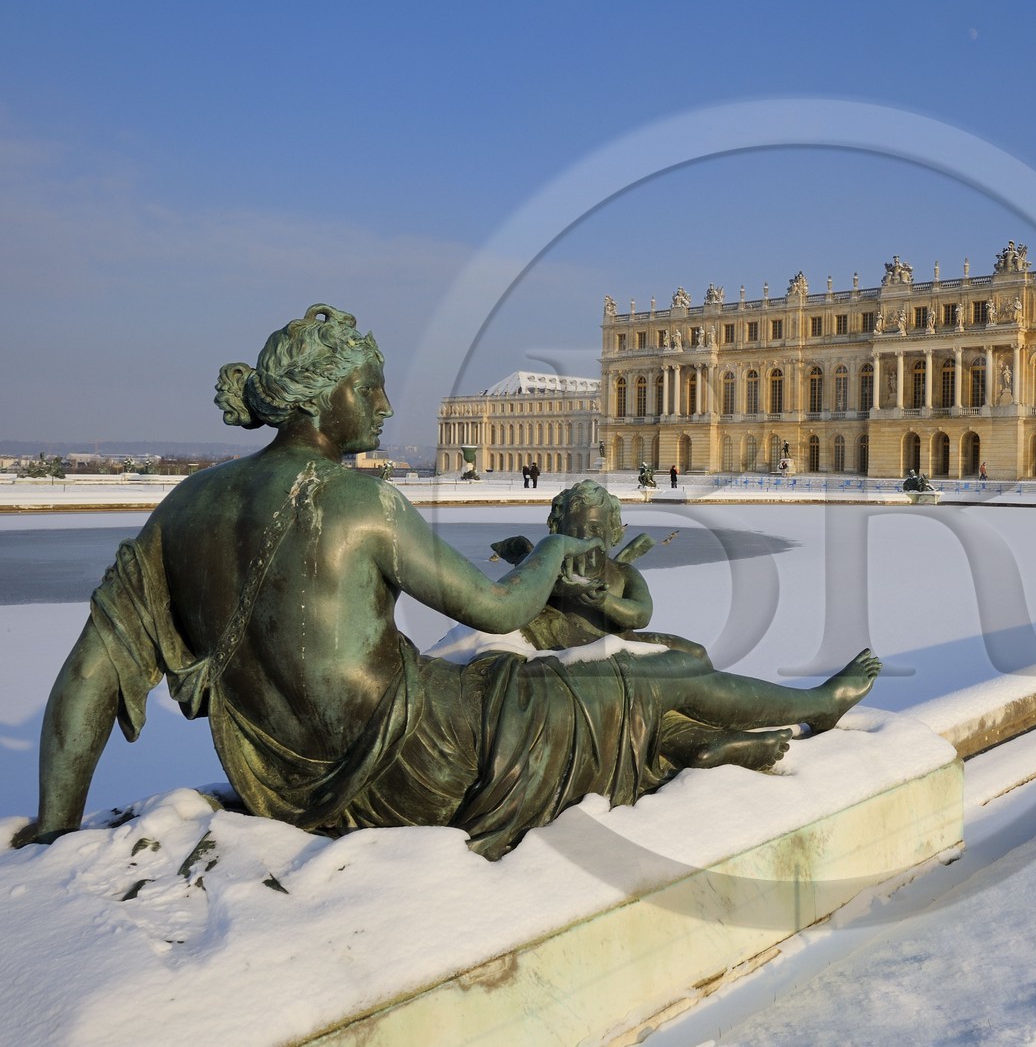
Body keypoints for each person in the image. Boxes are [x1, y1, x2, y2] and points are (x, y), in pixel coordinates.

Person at [18, 305, 878, 860]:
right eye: (374, 387)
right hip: (420, 752)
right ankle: (814, 707)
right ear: (324, 401)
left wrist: (57, 827)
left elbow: (89, 677)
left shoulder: (187, 505)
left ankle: (701, 747)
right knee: (659, 673)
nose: (390, 407)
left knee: (621, 684)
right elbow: (499, 608)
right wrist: (551, 553)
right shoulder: (361, 499)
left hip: (284, 778)